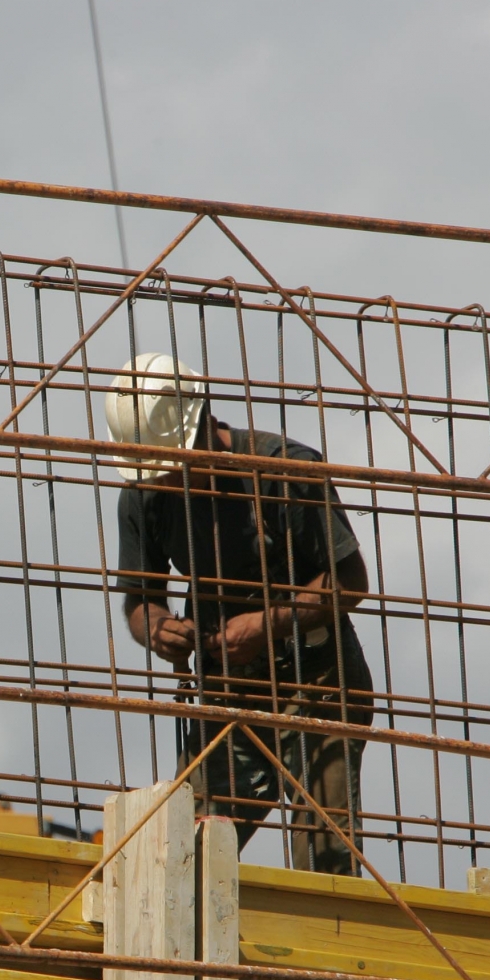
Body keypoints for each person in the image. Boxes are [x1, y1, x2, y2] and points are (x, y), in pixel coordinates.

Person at [107, 353, 373, 874]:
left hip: (315, 680)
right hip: (227, 686)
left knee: (324, 848)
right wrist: (159, 630)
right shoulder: (145, 493)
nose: (165, 480)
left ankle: (331, 950)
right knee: (187, 850)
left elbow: (351, 582)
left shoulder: (284, 470)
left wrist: (269, 623)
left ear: (204, 426)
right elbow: (141, 599)